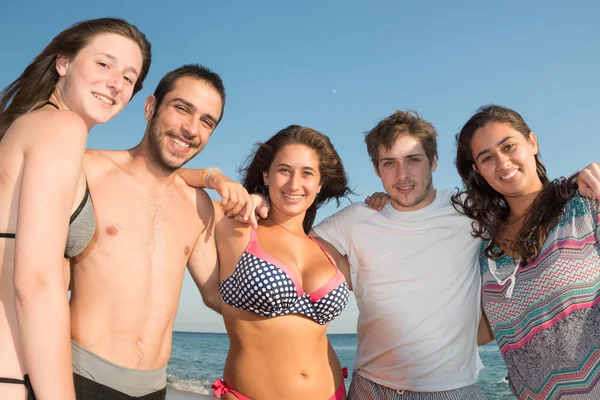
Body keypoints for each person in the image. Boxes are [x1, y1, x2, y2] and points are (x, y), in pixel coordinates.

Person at [68, 63, 255, 400]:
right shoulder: (87, 169)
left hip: (154, 387)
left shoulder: (197, 205)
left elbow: (215, 294)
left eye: (206, 122)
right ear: (150, 107)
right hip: (79, 376)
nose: (191, 129)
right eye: (182, 109)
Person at [0, 18, 151, 400]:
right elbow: (35, 282)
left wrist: (208, 177)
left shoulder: (28, 125)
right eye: (104, 64)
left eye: (129, 78)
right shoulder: (61, 128)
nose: (117, 83)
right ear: (63, 63)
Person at [311, 110, 488, 399]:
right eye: (389, 163)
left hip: (451, 390)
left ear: (433, 161)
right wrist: (356, 274)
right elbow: (295, 243)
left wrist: (583, 181)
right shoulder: (358, 218)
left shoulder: (468, 209)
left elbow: (528, 207)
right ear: (376, 169)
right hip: (371, 387)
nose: (402, 175)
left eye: (413, 160)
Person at [453, 105, 600, 399]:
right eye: (487, 158)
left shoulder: (585, 206)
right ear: (477, 170)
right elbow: (483, 332)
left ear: (531, 142)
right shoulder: (486, 253)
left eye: (509, 146)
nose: (503, 162)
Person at [209, 125, 352, 400]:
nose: (294, 184)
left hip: (333, 392)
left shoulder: (327, 248)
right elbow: (173, 184)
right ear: (267, 174)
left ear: (319, 184)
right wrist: (215, 178)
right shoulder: (237, 228)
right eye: (284, 170)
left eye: (307, 173)